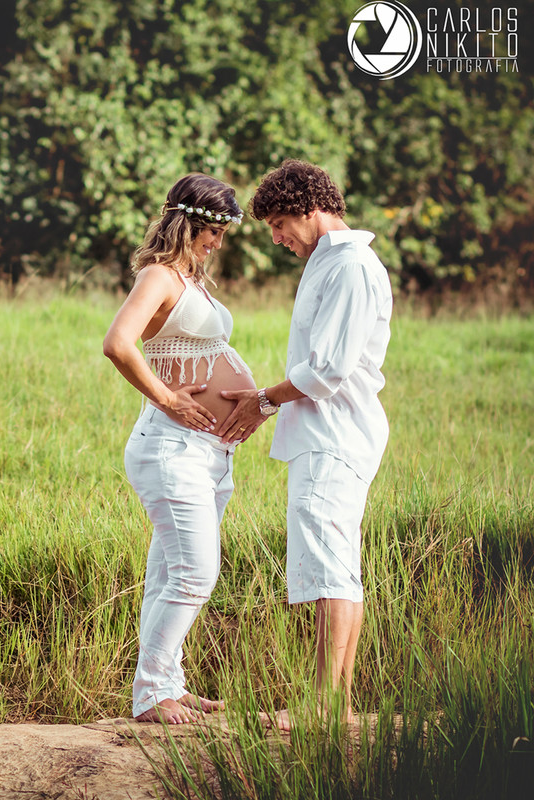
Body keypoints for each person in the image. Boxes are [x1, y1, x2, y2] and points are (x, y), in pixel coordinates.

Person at [216, 159, 392, 731]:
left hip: (335, 434)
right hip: (328, 432)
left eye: (278, 224)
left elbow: (329, 370)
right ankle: (331, 701)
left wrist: (263, 401)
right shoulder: (331, 262)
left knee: (331, 567)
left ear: (310, 210)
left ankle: (325, 705)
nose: (275, 238)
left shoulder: (348, 267)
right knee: (332, 565)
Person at [103, 173, 254, 724]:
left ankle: (167, 685)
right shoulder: (159, 276)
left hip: (207, 451)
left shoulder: (193, 281)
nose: (217, 242)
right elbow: (117, 343)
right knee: (195, 573)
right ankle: (152, 695)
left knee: (171, 573)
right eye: (210, 231)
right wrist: (168, 398)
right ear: (184, 223)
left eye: (221, 232)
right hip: (169, 446)